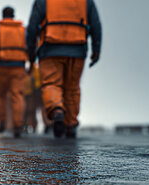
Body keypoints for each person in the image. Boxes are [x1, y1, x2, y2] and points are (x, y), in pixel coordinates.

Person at [27, 0, 102, 138]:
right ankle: (71, 124)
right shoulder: (86, 2)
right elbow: (96, 24)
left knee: (51, 84)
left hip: (49, 50)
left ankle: (57, 109)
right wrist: (96, 49)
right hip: (78, 49)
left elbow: (32, 26)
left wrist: (31, 51)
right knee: (72, 88)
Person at [0, 6, 29, 138]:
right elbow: (30, 46)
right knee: (17, 96)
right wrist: (31, 62)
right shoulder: (23, 31)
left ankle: (2, 121)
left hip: (0, 67)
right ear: (14, 15)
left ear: (2, 15)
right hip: (19, 67)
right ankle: (17, 126)